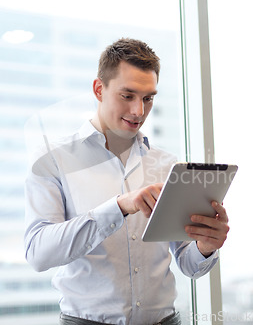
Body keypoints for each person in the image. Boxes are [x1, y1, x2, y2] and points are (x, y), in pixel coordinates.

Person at [24, 38, 230, 325]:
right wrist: (119, 207)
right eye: (127, 95)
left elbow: (188, 263)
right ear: (99, 89)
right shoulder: (52, 159)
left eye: (148, 98)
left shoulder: (167, 165)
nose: (139, 111)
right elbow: (38, 253)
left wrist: (207, 246)